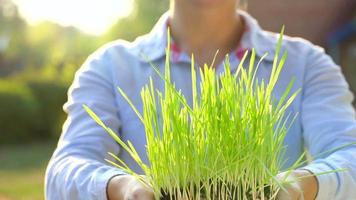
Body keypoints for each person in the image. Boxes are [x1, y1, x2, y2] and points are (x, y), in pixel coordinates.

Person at [45, 0, 356, 199]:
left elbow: (349, 154)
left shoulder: (306, 64)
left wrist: (297, 187)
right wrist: (123, 188)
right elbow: (65, 169)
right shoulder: (110, 66)